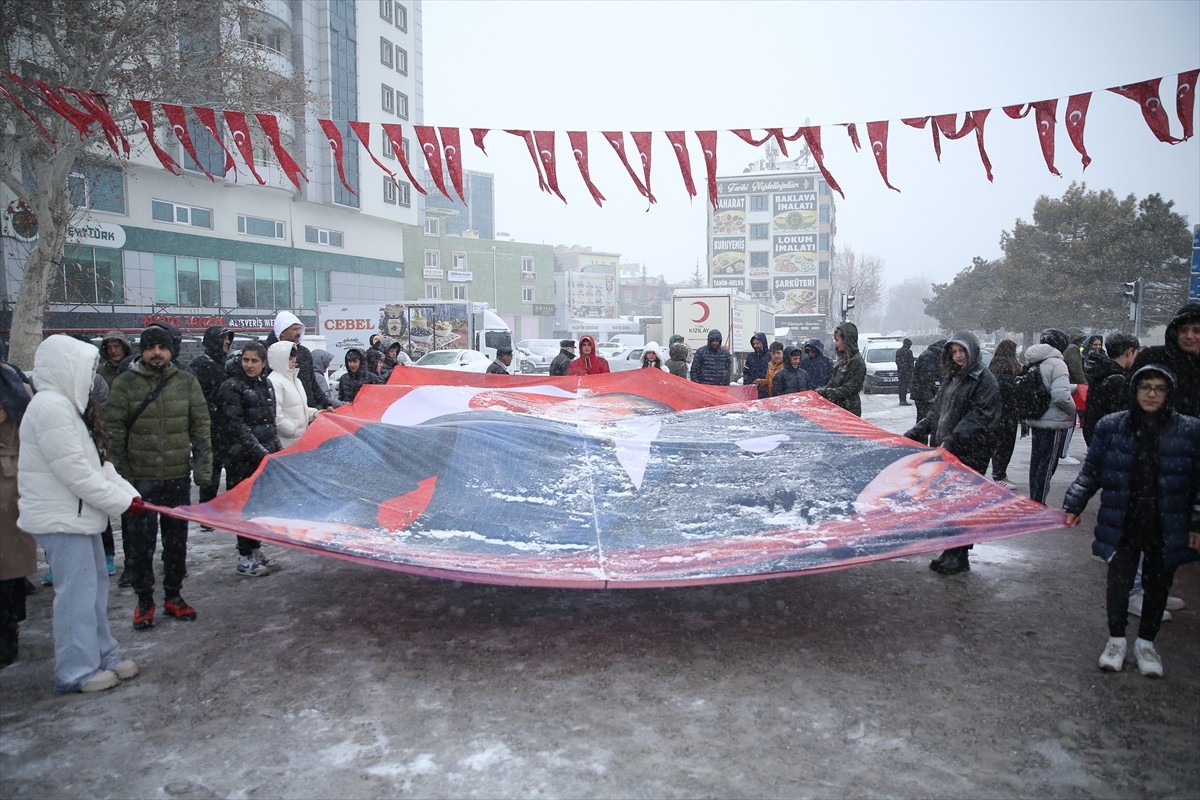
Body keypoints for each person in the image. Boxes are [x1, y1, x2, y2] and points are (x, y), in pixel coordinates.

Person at [17, 335, 142, 693]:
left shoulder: (70, 408)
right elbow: (75, 472)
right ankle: (75, 670)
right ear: (65, 368)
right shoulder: (50, 407)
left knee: (94, 589)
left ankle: (103, 655)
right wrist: (121, 504)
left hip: (80, 515)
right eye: (86, 369)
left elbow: (99, 466)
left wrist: (131, 496)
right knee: (75, 595)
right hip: (61, 518)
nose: (91, 376)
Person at [1063, 365, 1200, 677]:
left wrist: (1195, 523)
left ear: (1169, 393)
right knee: (1118, 583)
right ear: (1134, 391)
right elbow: (1092, 471)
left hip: (1167, 523)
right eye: (1145, 387)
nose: (1151, 394)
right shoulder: (1112, 427)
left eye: (1159, 388)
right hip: (1124, 519)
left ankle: (1146, 643)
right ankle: (1116, 640)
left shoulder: (1189, 430)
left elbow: (1197, 483)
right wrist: (1074, 503)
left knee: (1158, 584)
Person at [106, 325, 211, 631]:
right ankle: (144, 601)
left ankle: (173, 596)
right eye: (150, 347)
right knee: (141, 545)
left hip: (177, 476)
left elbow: (201, 427)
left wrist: (203, 470)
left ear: (170, 351)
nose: (156, 353)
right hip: (140, 479)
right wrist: (122, 476)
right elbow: (114, 431)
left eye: (161, 348)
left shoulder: (186, 381)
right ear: (143, 350)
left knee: (176, 543)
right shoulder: (126, 383)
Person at [905, 331, 1001, 574]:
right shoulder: (953, 377)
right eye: (954, 352)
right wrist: (916, 432)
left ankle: (959, 555)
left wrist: (952, 440)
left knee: (962, 503)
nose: (958, 356)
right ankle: (950, 550)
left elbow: (979, 416)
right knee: (947, 502)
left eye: (962, 352)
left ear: (972, 352)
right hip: (948, 449)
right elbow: (937, 412)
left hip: (970, 451)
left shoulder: (983, 379)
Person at [215, 342, 283, 578]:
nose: (249, 365)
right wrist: (257, 449)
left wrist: (275, 449)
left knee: (257, 506)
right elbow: (235, 425)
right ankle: (244, 556)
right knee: (244, 507)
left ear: (264, 363)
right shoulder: (232, 387)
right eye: (246, 360)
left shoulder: (265, 384)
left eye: (255, 361)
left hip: (261, 456)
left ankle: (254, 549)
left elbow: (268, 422)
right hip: (241, 458)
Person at [0, 343, 35, 668]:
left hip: (10, 479)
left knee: (7, 564)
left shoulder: (15, 386)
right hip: (12, 477)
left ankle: (8, 630)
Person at [1024, 328, 1076, 505]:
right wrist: (1072, 410)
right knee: (1047, 465)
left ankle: (1034, 499)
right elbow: (1060, 395)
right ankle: (1039, 503)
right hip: (1053, 421)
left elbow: (1047, 386)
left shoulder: (1034, 360)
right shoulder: (1057, 364)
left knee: (1036, 462)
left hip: (1036, 417)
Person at [190, 326, 234, 509]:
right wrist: (214, 410)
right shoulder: (201, 365)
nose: (227, 342)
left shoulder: (228, 363)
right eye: (224, 338)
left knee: (230, 473)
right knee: (210, 473)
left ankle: (227, 510)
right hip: (211, 428)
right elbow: (198, 398)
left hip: (228, 428)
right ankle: (207, 512)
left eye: (228, 338)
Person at [1132, 303, 1200, 418]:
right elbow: (1130, 399)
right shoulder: (1152, 358)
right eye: (1184, 330)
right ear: (1175, 332)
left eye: (1197, 331)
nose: (1189, 336)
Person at [266, 311, 333, 411]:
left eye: (299, 329)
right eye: (294, 329)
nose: (298, 333)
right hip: (285, 412)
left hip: (308, 411)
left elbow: (312, 383)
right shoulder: (269, 353)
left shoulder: (304, 353)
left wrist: (326, 403)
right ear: (282, 332)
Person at [1081, 332, 1140, 445]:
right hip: (1113, 445)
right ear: (1129, 352)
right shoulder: (1118, 380)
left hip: (1097, 439)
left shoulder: (1101, 372)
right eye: (1136, 354)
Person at [267, 341, 320, 449]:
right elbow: (275, 415)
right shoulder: (274, 381)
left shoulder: (296, 380)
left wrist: (312, 413)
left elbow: (298, 407)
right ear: (280, 359)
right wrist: (291, 430)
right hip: (285, 443)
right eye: (290, 358)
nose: (294, 361)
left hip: (299, 441)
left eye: (294, 357)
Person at [987, 339, 1021, 490]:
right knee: (1005, 444)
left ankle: (999, 473)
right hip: (1007, 412)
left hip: (998, 412)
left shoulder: (994, 366)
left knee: (999, 444)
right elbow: (1007, 389)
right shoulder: (1008, 368)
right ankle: (999, 475)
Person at [816, 322, 865, 417]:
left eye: (837, 340)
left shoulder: (857, 362)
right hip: (838, 407)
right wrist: (822, 391)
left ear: (846, 340)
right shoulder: (843, 360)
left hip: (850, 409)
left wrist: (826, 392)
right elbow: (833, 382)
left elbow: (848, 388)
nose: (836, 344)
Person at [1058, 328, 1088, 466]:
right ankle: (1063, 454)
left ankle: (1061, 453)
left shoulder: (1066, 349)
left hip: (1065, 386)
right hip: (1072, 388)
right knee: (1070, 421)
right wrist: (1085, 386)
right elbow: (1077, 370)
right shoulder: (1073, 350)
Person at [910, 339, 946, 435]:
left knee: (925, 421)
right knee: (925, 421)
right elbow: (925, 377)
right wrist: (929, 396)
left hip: (921, 394)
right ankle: (921, 444)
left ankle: (922, 442)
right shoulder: (929, 357)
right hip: (923, 397)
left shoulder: (930, 355)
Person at [742, 333, 770, 398]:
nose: (755, 346)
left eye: (757, 343)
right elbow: (746, 373)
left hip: (767, 392)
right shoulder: (750, 357)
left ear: (763, 342)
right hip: (753, 391)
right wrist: (747, 387)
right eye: (754, 344)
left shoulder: (770, 356)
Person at [895, 338, 915, 406]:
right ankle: (905, 400)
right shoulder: (909, 352)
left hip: (900, 372)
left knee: (901, 386)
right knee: (907, 386)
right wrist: (912, 369)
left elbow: (897, 361)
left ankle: (902, 399)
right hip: (907, 372)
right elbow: (911, 362)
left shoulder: (898, 351)